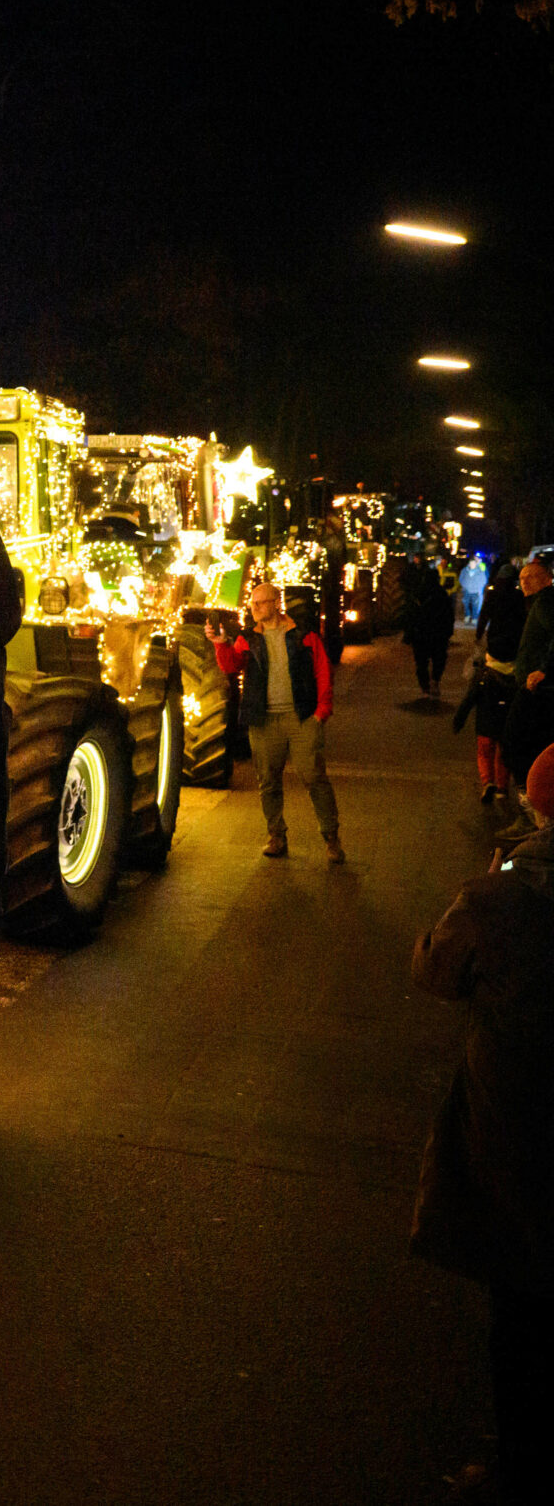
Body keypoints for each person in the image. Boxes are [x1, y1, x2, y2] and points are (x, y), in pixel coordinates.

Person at [411, 825, 554, 1503]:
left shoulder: (498, 897)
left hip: (517, 1126)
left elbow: (434, 969)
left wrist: (480, 887)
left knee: (519, 1316)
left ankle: (520, 1466)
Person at [210, 578, 343, 862]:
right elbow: (232, 666)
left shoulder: (303, 633)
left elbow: (322, 670)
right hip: (264, 720)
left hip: (301, 717)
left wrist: (322, 711)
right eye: (253, 604)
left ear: (276, 603)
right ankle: (276, 835)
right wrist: (220, 644)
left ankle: (331, 837)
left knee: (314, 777)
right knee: (268, 781)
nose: (255, 608)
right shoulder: (248, 638)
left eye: (261, 603)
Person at [463, 562, 529, 804]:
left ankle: (487, 781)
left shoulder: (493, 596)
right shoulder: (521, 599)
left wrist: (479, 636)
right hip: (514, 670)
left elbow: (483, 618)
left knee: (485, 737)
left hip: (493, 669)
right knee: (505, 737)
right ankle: (502, 786)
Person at [499, 559, 554, 841]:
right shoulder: (538, 603)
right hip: (539, 690)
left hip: (537, 691)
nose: (525, 581)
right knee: (532, 747)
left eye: (531, 576)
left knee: (514, 745)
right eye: (522, 577)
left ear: (547, 579)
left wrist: (545, 670)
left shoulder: (546, 602)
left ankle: (530, 815)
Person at [405, 562, 457, 698]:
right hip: (438, 635)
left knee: (421, 662)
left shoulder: (418, 594)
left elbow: (410, 615)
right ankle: (435, 681)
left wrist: (409, 633)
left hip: (421, 634)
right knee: (438, 660)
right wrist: (448, 631)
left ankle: (425, 687)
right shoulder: (442, 595)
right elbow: (449, 615)